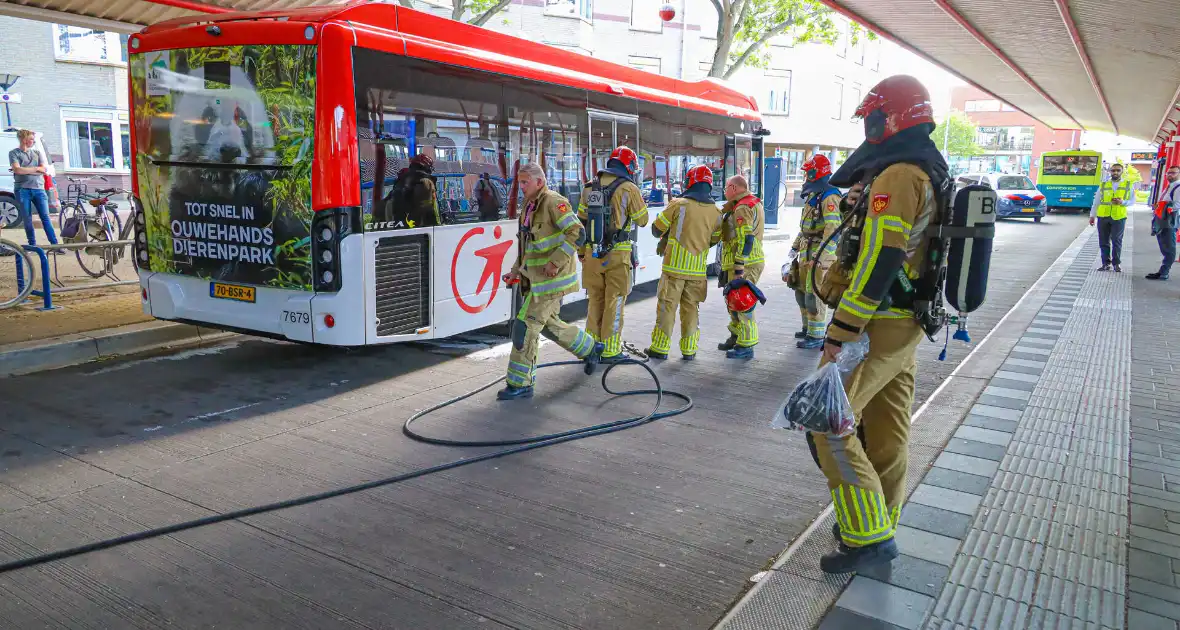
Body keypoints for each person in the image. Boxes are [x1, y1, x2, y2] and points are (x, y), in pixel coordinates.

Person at [810, 74, 950, 574]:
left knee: (827, 420)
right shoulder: (929, 168)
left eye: (872, 116)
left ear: (887, 117)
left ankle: (867, 538)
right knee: (888, 429)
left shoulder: (897, 175)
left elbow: (879, 259)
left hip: (877, 323)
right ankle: (880, 520)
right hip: (905, 323)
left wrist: (841, 331)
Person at [498, 163, 603, 400]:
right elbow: (529, 245)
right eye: (520, 182)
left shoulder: (554, 202)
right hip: (536, 282)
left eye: (525, 182)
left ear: (539, 182)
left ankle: (521, 383)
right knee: (547, 325)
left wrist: (555, 263)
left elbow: (578, 232)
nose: (521, 186)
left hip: (550, 282)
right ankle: (590, 348)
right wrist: (516, 271)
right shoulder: (530, 204)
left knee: (524, 328)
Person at [578, 146, 649, 363]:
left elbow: (581, 223)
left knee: (595, 300)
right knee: (614, 301)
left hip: (592, 253)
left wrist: (581, 252)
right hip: (618, 254)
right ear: (629, 167)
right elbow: (642, 220)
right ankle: (610, 350)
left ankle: (590, 348)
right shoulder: (629, 188)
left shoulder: (589, 187)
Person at [646, 165, 721, 360]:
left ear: (690, 182)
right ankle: (689, 350)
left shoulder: (678, 204)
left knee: (667, 308)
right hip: (697, 272)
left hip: (674, 270)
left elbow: (656, 229)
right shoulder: (716, 212)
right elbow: (715, 239)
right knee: (691, 310)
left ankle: (660, 349)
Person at [787, 154, 842, 349]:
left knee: (814, 295)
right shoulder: (814, 195)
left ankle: (817, 335)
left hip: (819, 255)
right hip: (806, 252)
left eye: (809, 172)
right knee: (801, 292)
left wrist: (820, 258)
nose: (806, 177)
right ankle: (807, 327)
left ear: (817, 173)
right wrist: (794, 249)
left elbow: (833, 229)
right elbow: (805, 229)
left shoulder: (830, 196)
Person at [717, 175, 765, 359]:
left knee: (743, 303)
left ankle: (746, 346)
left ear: (734, 188)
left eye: (726, 188)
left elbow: (746, 238)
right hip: (745, 262)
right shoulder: (750, 203)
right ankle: (736, 337)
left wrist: (738, 267)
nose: (725, 192)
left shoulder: (743, 207)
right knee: (734, 303)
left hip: (746, 264)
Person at [8, 129, 60, 250]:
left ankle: (55, 245)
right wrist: (36, 169)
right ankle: (32, 245)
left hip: (39, 189)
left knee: (45, 217)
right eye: (31, 139)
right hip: (22, 190)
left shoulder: (37, 153)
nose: (33, 141)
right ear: (24, 139)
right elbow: (17, 170)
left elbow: (44, 169)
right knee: (27, 218)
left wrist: (26, 169)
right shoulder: (14, 153)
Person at [1089, 162, 1133, 272]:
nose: (1115, 172)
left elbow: (1132, 200)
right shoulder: (1104, 184)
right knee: (1103, 241)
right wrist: (1092, 215)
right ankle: (1105, 263)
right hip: (1104, 216)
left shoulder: (1128, 184)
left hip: (1119, 216)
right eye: (1113, 170)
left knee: (1117, 240)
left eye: (1118, 170)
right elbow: (1097, 201)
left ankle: (1116, 264)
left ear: (1122, 172)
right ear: (1110, 172)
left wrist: (1123, 202)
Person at [384, 154, 440, 228]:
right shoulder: (425, 182)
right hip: (419, 229)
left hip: (398, 227)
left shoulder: (402, 181)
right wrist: (438, 225)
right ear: (427, 167)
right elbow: (428, 209)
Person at [1149, 165, 1180, 280]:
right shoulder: (1170, 186)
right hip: (1163, 218)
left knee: (1169, 247)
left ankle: (1164, 272)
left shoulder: (1178, 187)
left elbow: (1177, 205)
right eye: (1168, 173)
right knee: (1164, 245)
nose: (1170, 175)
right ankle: (1162, 271)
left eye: (1173, 173)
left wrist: (1162, 205)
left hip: (1169, 220)